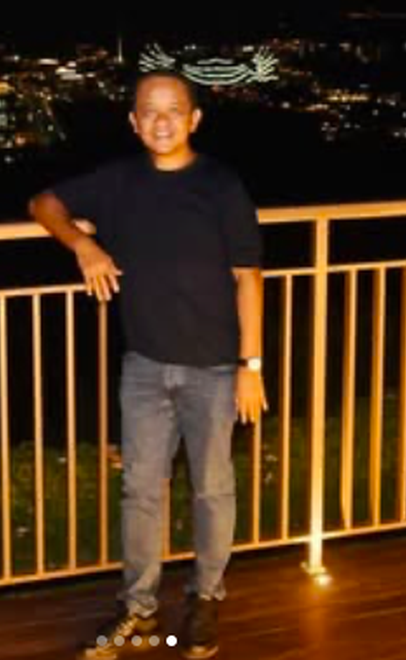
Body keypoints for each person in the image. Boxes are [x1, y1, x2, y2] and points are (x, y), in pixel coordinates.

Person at [29, 68, 266, 659]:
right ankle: (138, 606)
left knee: (212, 490)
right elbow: (43, 203)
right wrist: (83, 243)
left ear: (194, 119)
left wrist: (251, 364)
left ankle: (205, 599)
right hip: (143, 367)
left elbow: (248, 277)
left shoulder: (221, 185)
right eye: (149, 111)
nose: (162, 122)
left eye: (174, 110)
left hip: (215, 369)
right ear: (133, 122)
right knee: (139, 492)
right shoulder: (118, 182)